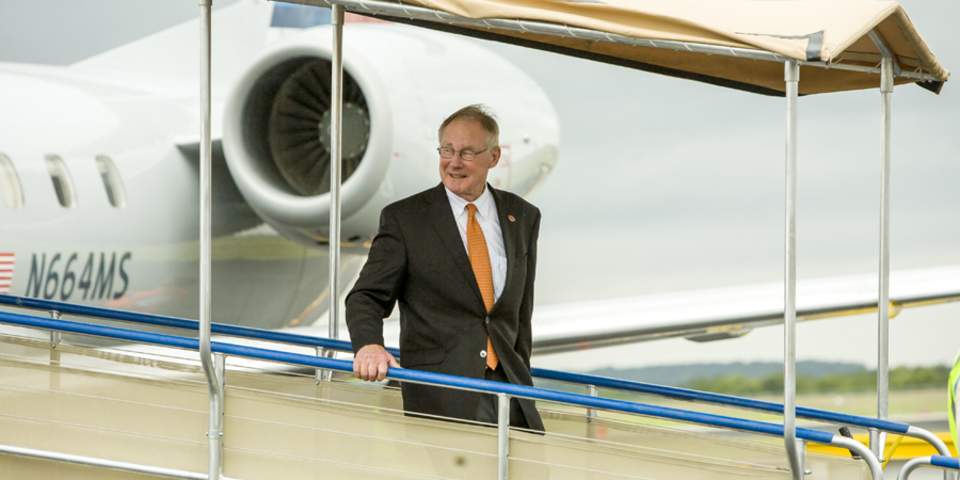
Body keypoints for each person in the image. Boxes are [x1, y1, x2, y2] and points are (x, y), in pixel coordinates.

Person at [345, 104, 544, 431]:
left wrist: (522, 374)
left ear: (493, 157)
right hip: (441, 396)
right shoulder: (405, 220)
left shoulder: (522, 216)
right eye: (447, 150)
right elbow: (365, 296)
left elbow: (521, 312)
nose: (454, 162)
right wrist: (368, 345)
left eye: (467, 152)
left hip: (512, 392)